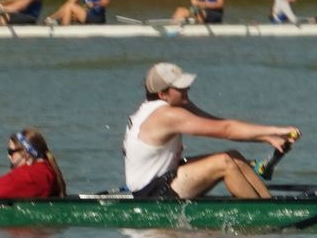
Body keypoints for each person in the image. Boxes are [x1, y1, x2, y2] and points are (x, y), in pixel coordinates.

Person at [123, 62, 299, 199]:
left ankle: (268, 204)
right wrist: (276, 130)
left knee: (234, 156)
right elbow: (226, 130)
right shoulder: (167, 115)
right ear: (163, 94)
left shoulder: (159, 106)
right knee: (224, 162)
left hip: (164, 177)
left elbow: (220, 124)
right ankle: (263, 216)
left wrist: (267, 137)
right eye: (180, 88)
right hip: (152, 193)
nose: (187, 89)